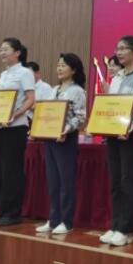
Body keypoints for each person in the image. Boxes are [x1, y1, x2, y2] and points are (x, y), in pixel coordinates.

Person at [100, 36, 133, 246]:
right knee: (115, 182)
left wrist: (127, 129)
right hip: (114, 136)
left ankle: (125, 228)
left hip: (130, 136)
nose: (119, 52)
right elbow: (112, 107)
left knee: (127, 182)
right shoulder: (116, 78)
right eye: (118, 48)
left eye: (124, 48)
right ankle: (115, 225)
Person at [0, 38, 35, 226]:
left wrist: (15, 114)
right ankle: (2, 209)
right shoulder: (4, 74)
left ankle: (13, 213)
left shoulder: (25, 73)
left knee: (12, 170)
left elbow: (30, 99)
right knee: (0, 170)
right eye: (1, 49)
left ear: (17, 52)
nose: (2, 52)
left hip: (15, 128)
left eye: (6, 49)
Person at [36, 53, 87, 235]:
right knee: (53, 181)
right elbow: (46, 113)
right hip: (50, 138)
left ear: (73, 69)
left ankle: (66, 221)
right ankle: (53, 219)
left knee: (66, 182)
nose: (59, 68)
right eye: (58, 65)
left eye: (63, 65)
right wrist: (37, 128)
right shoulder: (53, 89)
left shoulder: (77, 91)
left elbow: (80, 117)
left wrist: (66, 130)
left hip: (66, 139)